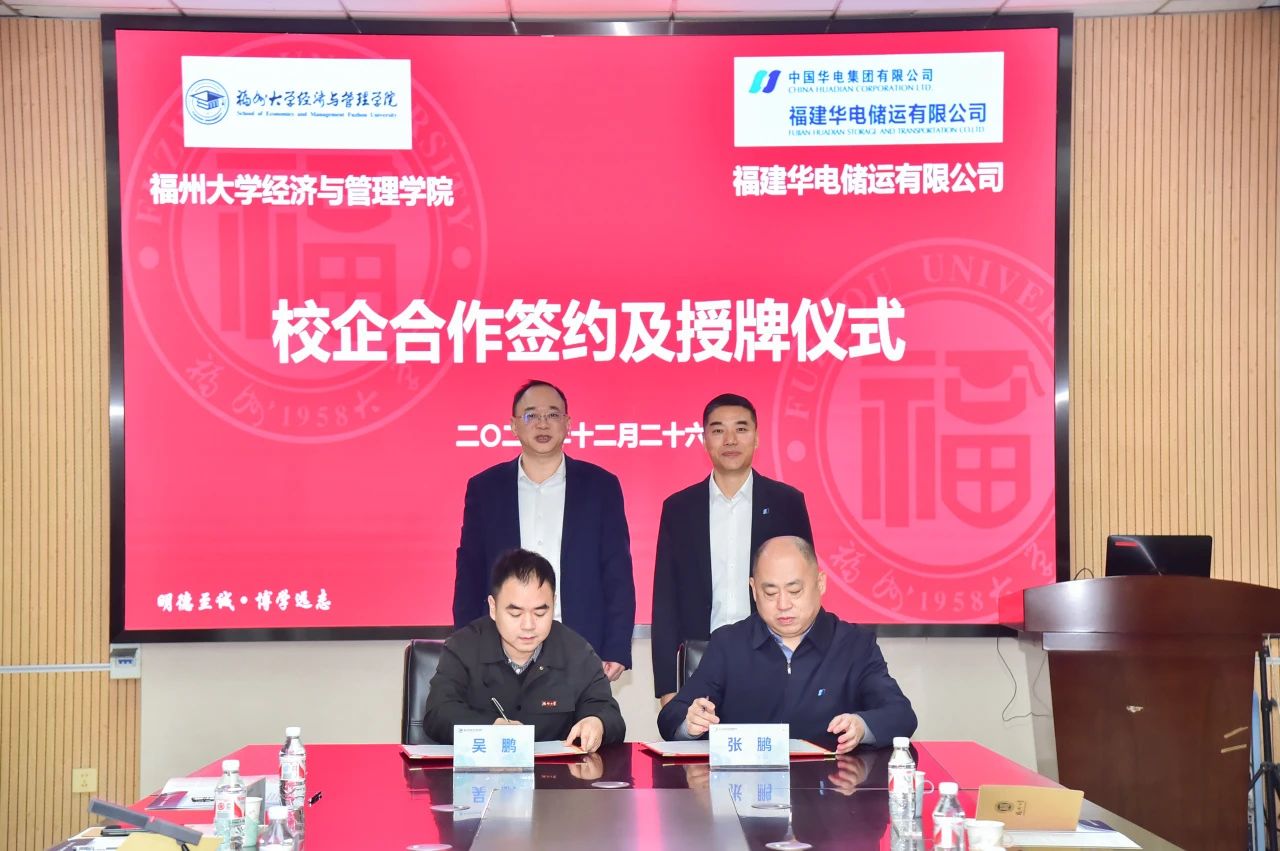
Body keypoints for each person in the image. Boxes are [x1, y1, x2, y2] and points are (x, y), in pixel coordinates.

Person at [656, 536, 916, 753]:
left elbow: (900, 714)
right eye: (770, 593)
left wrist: (861, 725)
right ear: (753, 589)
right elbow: (671, 716)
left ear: (820, 583)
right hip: (743, 789)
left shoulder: (855, 645)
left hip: (829, 790)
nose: (783, 604)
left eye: (794, 591)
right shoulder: (728, 644)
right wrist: (689, 724)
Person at [454, 379, 635, 679]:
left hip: (581, 644)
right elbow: (470, 573)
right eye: (531, 415)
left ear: (568, 424)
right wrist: (465, 647)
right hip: (501, 645)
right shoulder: (485, 488)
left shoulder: (600, 486)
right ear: (513, 425)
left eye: (552, 414)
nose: (542, 423)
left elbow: (617, 571)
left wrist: (616, 646)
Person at [651, 393, 813, 704]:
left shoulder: (787, 503)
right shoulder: (679, 508)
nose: (730, 440)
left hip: (773, 656)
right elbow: (665, 599)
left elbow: (805, 591)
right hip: (700, 659)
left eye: (741, 429)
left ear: (757, 437)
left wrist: (806, 669)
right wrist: (668, 686)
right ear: (704, 440)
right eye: (718, 430)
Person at [425, 548, 626, 750]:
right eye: (515, 614)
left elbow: (608, 712)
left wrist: (597, 722)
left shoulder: (577, 652)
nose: (528, 625)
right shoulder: (463, 647)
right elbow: (438, 712)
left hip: (555, 770)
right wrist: (491, 728)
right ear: (493, 607)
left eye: (540, 613)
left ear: (554, 604)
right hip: (479, 768)